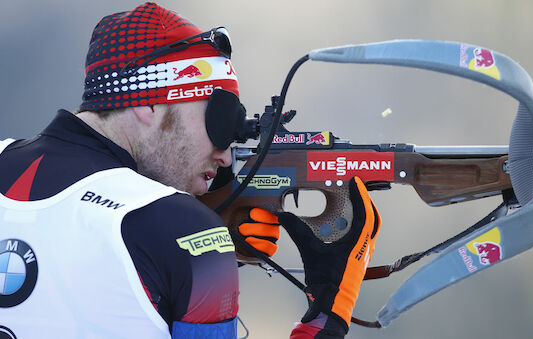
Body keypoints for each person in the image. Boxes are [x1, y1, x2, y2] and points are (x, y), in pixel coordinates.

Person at [0, 2, 381, 338]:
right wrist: (328, 314)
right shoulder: (188, 231)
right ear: (147, 104)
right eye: (218, 122)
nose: (227, 157)